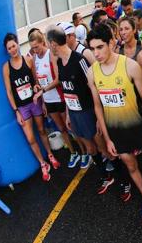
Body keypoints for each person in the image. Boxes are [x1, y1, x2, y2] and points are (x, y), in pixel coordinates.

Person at [86, 24, 142, 220]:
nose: (96, 53)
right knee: (130, 165)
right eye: (92, 49)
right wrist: (107, 139)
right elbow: (98, 106)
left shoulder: (130, 66)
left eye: (100, 47)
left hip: (139, 127)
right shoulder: (92, 72)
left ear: (111, 43)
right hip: (116, 131)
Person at [46, 26, 125, 197]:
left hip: (89, 111)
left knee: (104, 149)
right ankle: (106, 177)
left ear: (53, 44)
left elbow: (94, 86)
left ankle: (124, 180)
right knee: (90, 149)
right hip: (74, 113)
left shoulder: (79, 60)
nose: (48, 47)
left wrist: (99, 116)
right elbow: (68, 91)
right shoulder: (60, 62)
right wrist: (68, 113)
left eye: (48, 44)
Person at [2, 33, 60, 182]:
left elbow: (36, 81)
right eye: (9, 48)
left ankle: (50, 154)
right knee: (30, 137)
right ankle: (43, 163)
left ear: (18, 45)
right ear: (7, 51)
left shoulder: (28, 60)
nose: (13, 50)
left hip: (34, 103)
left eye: (14, 46)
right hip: (22, 107)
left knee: (41, 130)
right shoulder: (6, 68)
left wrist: (38, 93)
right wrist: (16, 112)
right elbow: (9, 91)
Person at [29, 30, 79, 168]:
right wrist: (39, 92)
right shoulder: (34, 58)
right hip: (48, 100)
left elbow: (58, 79)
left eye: (37, 47)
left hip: (59, 96)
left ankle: (85, 152)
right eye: (32, 48)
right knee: (61, 128)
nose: (35, 50)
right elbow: (38, 81)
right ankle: (73, 152)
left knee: (70, 126)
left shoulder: (50, 54)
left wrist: (43, 90)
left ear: (43, 43)